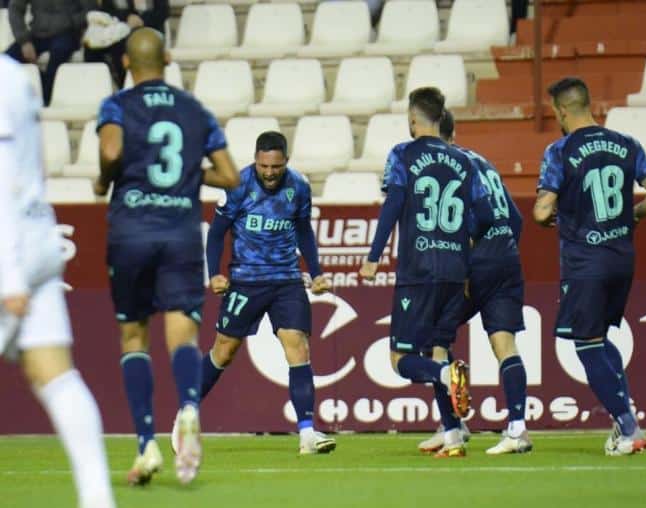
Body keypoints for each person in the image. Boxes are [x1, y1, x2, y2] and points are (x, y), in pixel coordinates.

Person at [95, 27, 240, 485]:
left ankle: (145, 446)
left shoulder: (117, 104)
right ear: (169, 58)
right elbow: (232, 177)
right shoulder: (194, 110)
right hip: (179, 231)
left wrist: (105, 180)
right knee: (182, 334)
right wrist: (184, 177)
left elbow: (112, 149)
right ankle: (191, 409)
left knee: (134, 339)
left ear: (125, 64)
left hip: (132, 231)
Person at [171, 131, 336, 456]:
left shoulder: (299, 186)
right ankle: (185, 414)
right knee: (224, 351)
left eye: (276, 167)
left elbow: (304, 230)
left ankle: (307, 434)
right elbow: (216, 234)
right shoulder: (238, 184)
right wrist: (216, 273)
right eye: (264, 166)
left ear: (285, 161)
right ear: (256, 160)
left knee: (298, 348)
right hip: (246, 281)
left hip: (287, 280)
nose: (270, 173)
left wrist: (316, 272)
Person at [0, 54, 116, 508]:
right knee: (56, 377)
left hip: (8, 247)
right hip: (37, 235)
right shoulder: (11, 74)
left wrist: (8, 273)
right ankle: (98, 500)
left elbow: (2, 173)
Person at [534, 77, 646, 456]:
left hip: (585, 261)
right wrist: (633, 216)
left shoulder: (560, 150)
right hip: (622, 257)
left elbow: (543, 209)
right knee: (600, 339)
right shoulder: (627, 144)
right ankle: (624, 420)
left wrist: (548, 217)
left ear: (561, 110)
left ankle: (628, 428)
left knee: (587, 343)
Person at [359, 87, 494, 458]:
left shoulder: (403, 153)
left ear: (413, 119)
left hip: (418, 270)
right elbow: (483, 216)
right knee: (438, 350)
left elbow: (394, 204)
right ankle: (452, 434)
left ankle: (445, 378)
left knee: (400, 360)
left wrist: (374, 256)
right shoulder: (464, 161)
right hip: (455, 270)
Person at [419, 110, 530, 455]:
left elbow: (469, 223)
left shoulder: (448, 167)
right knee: (504, 344)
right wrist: (502, 253)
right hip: (507, 258)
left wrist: (467, 268)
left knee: (431, 335)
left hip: (473, 264)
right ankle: (517, 430)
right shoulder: (483, 162)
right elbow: (515, 219)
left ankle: (453, 426)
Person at [6, 0, 96, 104]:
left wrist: (71, 22)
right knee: (7, 59)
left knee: (58, 54)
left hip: (67, 33)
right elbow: (15, 8)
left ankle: (46, 103)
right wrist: (24, 41)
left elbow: (91, 9)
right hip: (37, 34)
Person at [84, 0, 169, 88]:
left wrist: (142, 20)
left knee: (122, 47)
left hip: (150, 29)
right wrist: (126, 17)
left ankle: (126, 85)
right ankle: (98, 86)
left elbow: (163, 12)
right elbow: (107, 10)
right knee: (91, 48)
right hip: (122, 28)